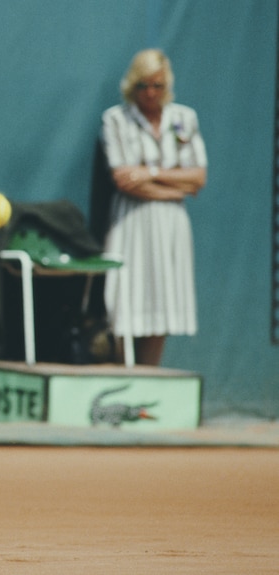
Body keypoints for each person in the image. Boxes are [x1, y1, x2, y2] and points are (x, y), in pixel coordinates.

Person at [100, 49, 207, 366]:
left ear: (166, 86)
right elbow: (123, 178)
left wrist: (150, 172)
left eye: (157, 86)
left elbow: (198, 176)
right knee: (127, 298)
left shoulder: (183, 119)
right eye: (143, 86)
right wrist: (175, 190)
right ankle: (125, 371)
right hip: (131, 221)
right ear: (133, 86)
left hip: (172, 224)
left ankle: (151, 374)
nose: (150, 93)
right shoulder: (116, 119)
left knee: (165, 296)